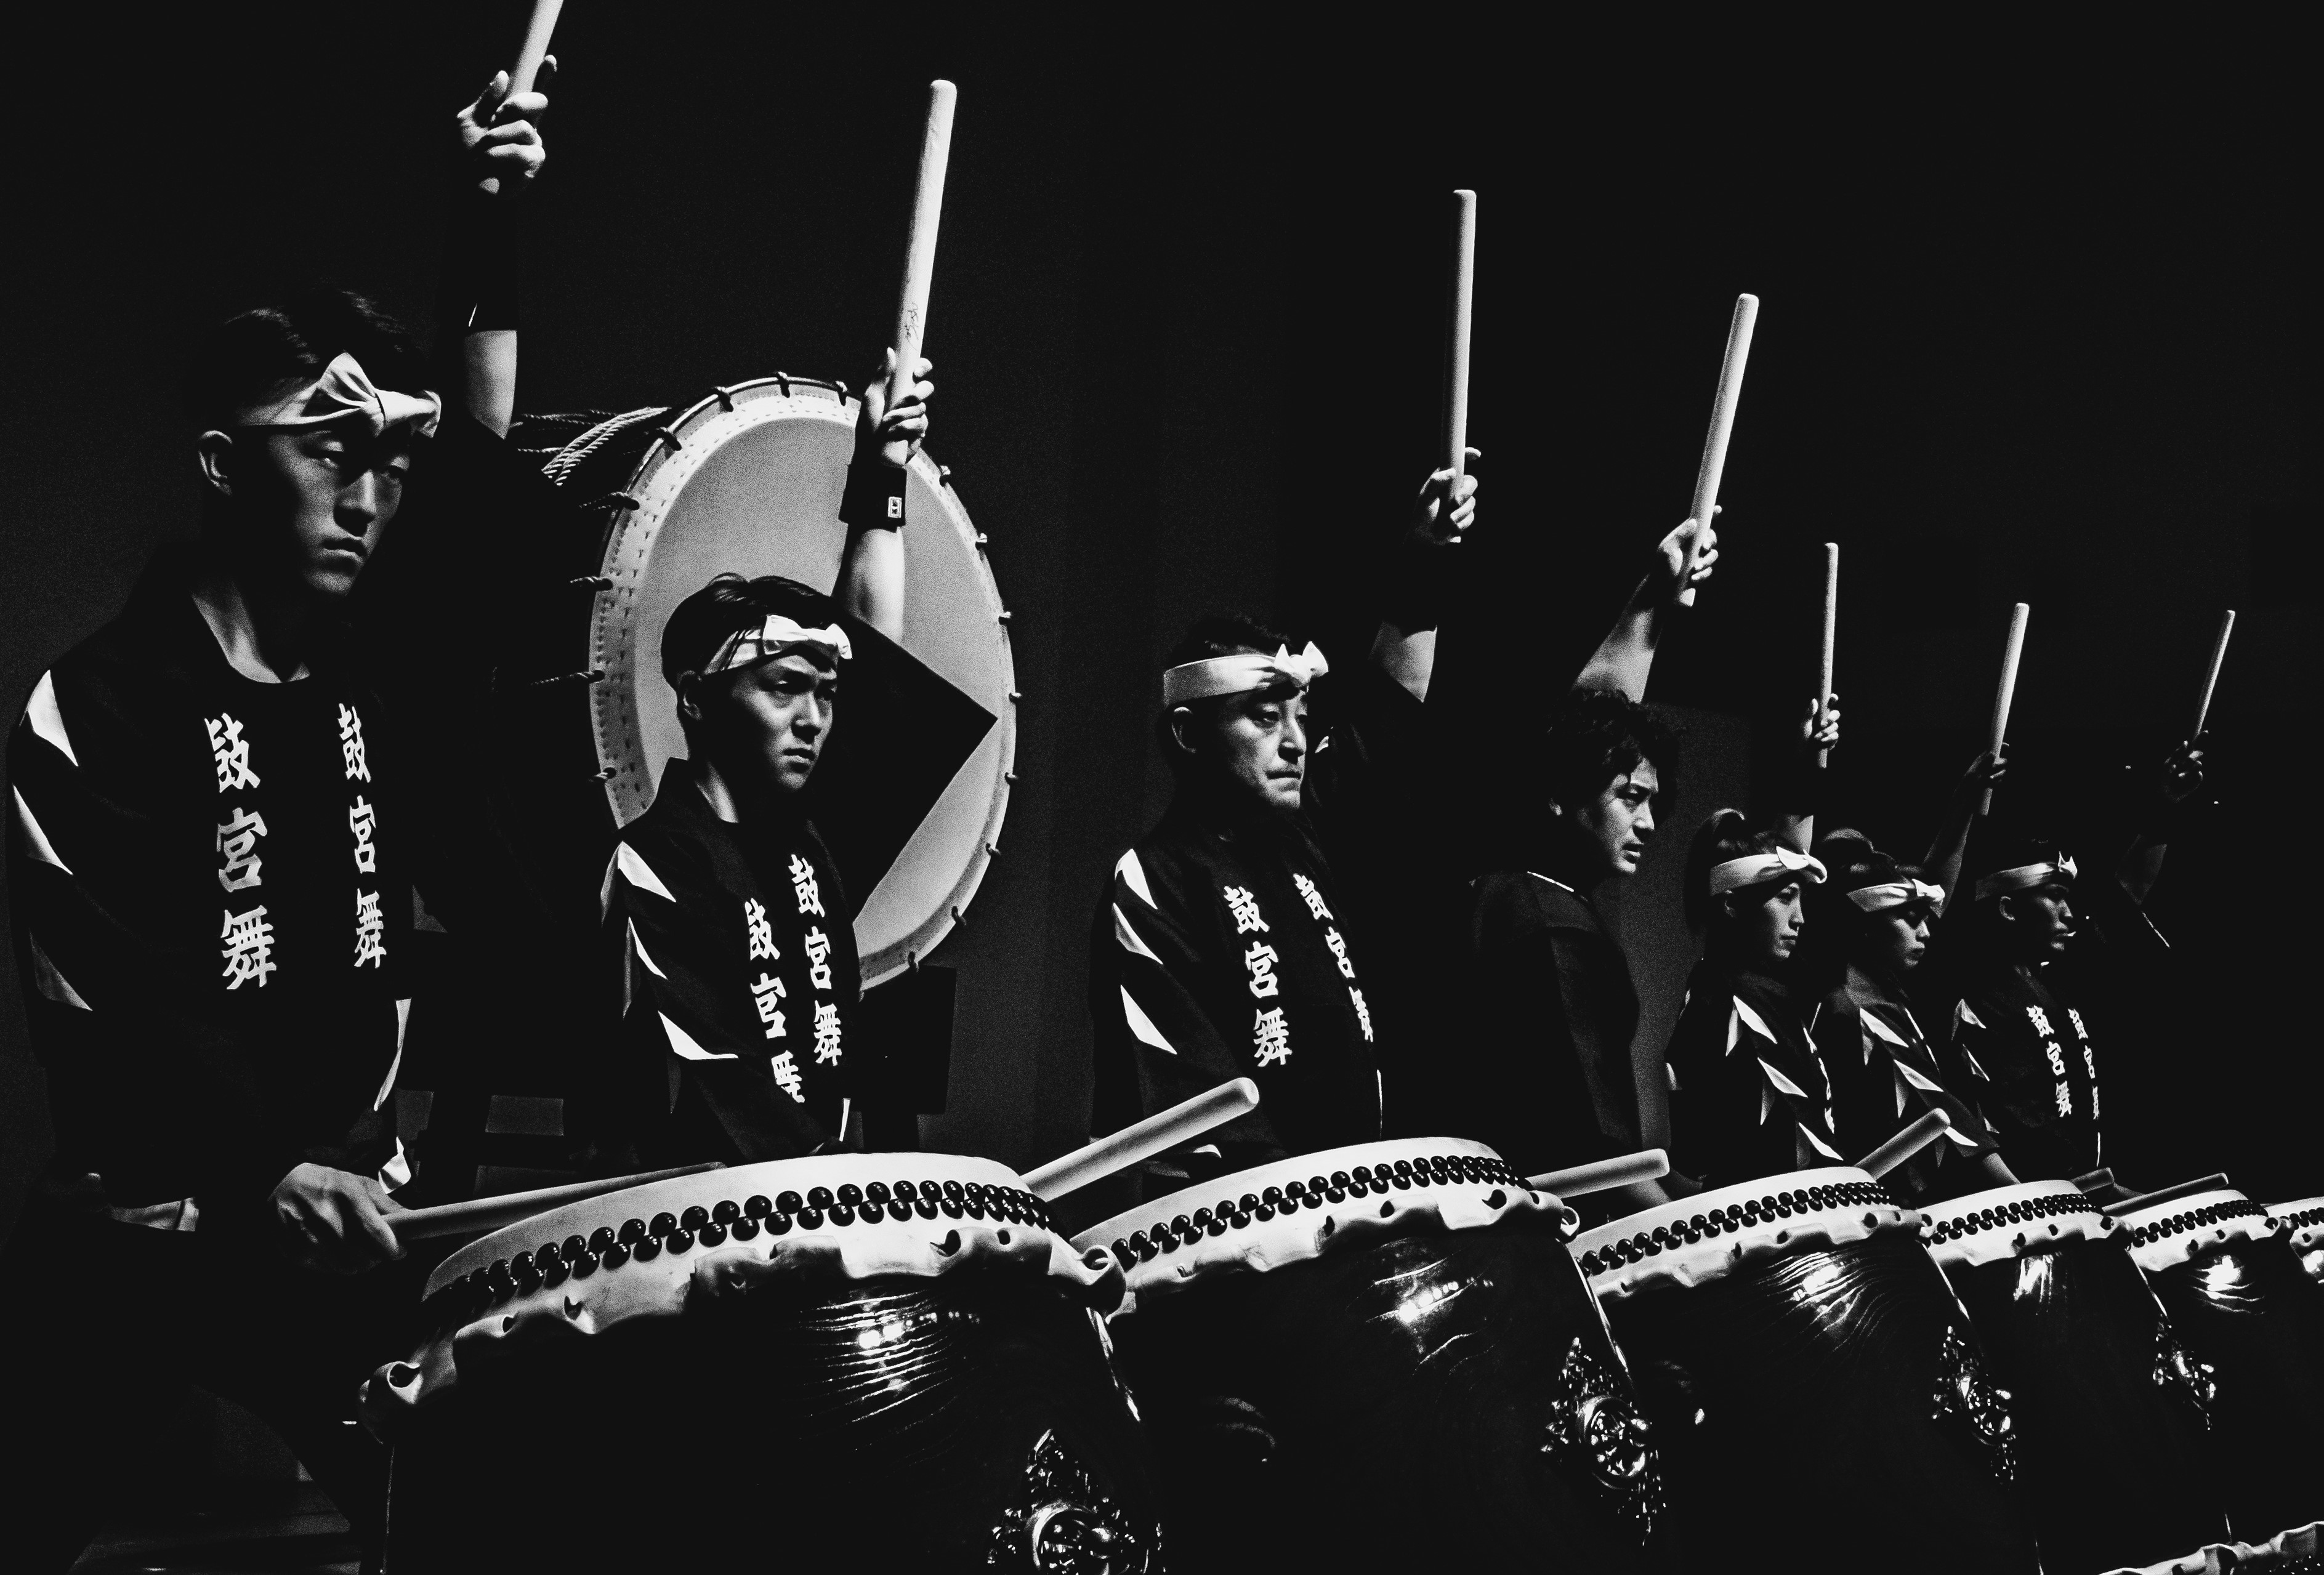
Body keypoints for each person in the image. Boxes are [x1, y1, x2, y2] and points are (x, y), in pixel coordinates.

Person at [0, 70, 550, 1569]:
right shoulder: (96, 705)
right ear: (221, 465)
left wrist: (486, 225)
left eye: (384, 466)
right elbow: (113, 993)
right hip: (151, 1225)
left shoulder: (378, 677)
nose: (368, 497)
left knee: (465, 1516)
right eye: (328, 452)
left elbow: (477, 466)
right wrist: (263, 1166)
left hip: (345, 1222)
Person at [586, 356, 932, 1169]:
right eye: (782, 688)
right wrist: (826, 1178)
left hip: (810, 1199)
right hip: (701, 1211)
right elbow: (707, 1078)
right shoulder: (654, 862)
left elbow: (873, 652)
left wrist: (882, 470)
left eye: (825, 693)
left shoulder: (812, 844)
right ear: (697, 698)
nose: (813, 718)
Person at [1449, 515, 1725, 1210]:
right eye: (1630, 797)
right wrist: (1693, 1224)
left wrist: (1652, 601)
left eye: (1653, 802)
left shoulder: (1515, 888)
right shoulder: (1549, 921)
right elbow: (1593, 1156)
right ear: (1559, 796)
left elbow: (1595, 714)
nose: (1649, 823)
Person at [1945, 740, 2206, 1185]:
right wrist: (1963, 806)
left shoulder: (2063, 974)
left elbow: (2129, 891)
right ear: (2008, 909)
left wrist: (2165, 807)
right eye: (2055, 897)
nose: (2070, 914)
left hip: (2084, 1190)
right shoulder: (1967, 981)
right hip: (2018, 1202)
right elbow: (1936, 897)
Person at [1806, 827, 2014, 1202]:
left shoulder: (1885, 990)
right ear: (1865, 924)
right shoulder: (1856, 1007)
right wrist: (2019, 1192)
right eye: (1911, 918)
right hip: (1885, 1201)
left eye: (1926, 920)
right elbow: (1943, 1109)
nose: (1926, 934)